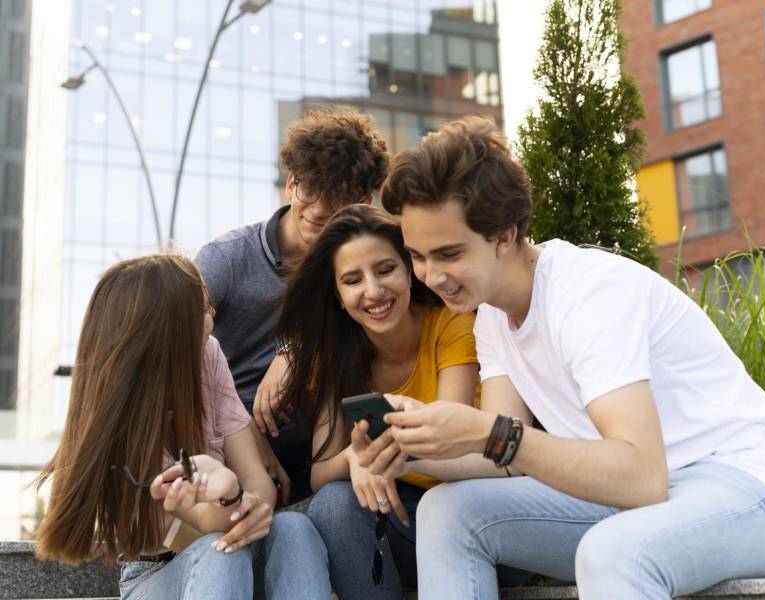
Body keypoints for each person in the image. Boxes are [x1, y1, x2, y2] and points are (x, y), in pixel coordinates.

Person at [353, 116, 765, 600]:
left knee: (614, 552)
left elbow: (641, 476)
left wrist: (489, 434)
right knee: (448, 511)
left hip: (753, 492)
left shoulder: (587, 294)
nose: (431, 276)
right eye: (418, 256)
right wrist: (406, 450)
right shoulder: (490, 313)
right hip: (638, 499)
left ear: (504, 236)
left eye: (449, 254)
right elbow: (503, 457)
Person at [35, 255, 330, 600]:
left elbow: (256, 479)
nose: (213, 316)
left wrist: (251, 505)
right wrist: (231, 494)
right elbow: (204, 526)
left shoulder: (208, 355)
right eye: (203, 309)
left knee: (293, 527)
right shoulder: (124, 424)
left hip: (236, 549)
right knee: (219, 554)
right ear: (169, 329)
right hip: (157, 572)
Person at [273, 204, 481, 599]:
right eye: (353, 280)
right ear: (338, 295)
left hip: (465, 509)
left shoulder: (451, 325)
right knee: (332, 504)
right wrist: (356, 457)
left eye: (385, 270)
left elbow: (451, 448)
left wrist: (380, 457)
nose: (373, 291)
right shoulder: (331, 353)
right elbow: (321, 472)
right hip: (397, 517)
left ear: (409, 270)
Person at [195, 109, 390, 502]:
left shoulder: (362, 268)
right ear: (290, 183)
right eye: (309, 190)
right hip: (222, 426)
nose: (317, 209)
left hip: (318, 433)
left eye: (336, 198)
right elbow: (173, 347)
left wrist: (292, 350)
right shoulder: (227, 258)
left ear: (363, 203)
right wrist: (243, 432)